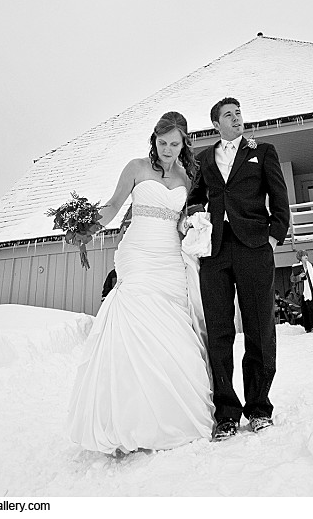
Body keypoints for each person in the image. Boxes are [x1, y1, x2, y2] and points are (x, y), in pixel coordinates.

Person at [67, 112, 214, 454]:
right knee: (133, 321)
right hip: (138, 253)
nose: (167, 149)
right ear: (154, 140)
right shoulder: (136, 167)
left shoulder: (187, 177)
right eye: (162, 142)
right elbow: (114, 205)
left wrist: (191, 228)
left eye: (174, 143)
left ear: (183, 143)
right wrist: (88, 227)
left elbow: (181, 220)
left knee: (172, 331)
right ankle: (123, 420)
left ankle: (168, 413)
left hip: (170, 258)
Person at [186, 97, 290, 441]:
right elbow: (195, 196)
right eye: (229, 115)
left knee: (260, 328)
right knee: (219, 332)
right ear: (216, 124)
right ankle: (226, 414)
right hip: (215, 252)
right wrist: (197, 215)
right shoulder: (204, 158)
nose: (237, 118)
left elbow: (279, 197)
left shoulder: (263, 150)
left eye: (239, 113)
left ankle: (259, 408)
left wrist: (273, 238)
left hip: (254, 248)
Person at [290, 250, 313, 333]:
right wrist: (299, 276)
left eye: (306, 255)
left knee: (312, 308)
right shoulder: (297, 267)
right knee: (305, 310)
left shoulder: (311, 266)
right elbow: (292, 279)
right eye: (304, 255)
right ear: (300, 257)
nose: (306, 257)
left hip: (311, 291)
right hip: (302, 292)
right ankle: (308, 328)